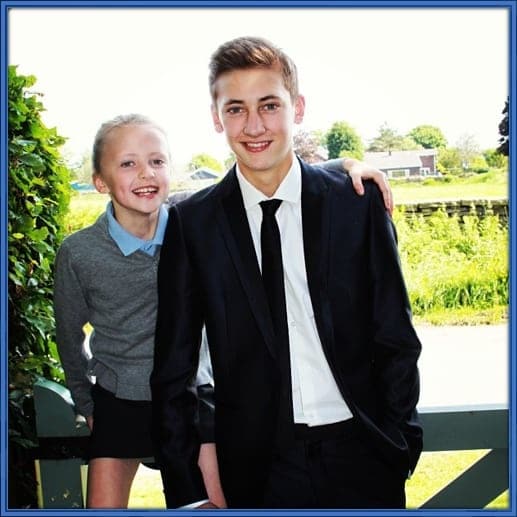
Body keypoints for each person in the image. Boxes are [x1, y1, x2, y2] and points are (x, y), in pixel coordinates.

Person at [53, 113, 389, 508]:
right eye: (128, 163)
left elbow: (268, 177)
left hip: (194, 397)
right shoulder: (78, 253)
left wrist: (346, 165)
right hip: (120, 400)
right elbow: (69, 335)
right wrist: (88, 404)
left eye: (157, 161)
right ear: (99, 180)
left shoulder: (195, 220)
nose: (146, 173)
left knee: (212, 505)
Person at [151, 36, 422, 510]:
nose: (254, 125)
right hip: (258, 472)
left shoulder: (355, 205)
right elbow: (175, 372)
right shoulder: (193, 225)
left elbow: (395, 336)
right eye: (235, 109)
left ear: (297, 108)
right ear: (216, 117)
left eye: (269, 105)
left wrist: (398, 442)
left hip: (363, 457)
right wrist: (188, 494)